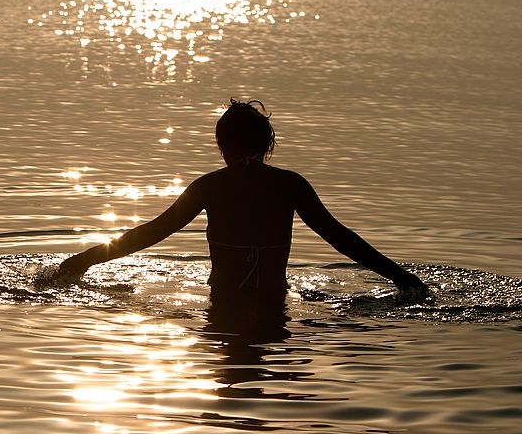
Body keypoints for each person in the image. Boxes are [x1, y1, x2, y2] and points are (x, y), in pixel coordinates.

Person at [56, 99, 427, 310]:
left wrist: (82, 261)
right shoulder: (290, 184)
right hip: (276, 304)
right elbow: (340, 238)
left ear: (221, 145)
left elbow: (152, 233)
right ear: (267, 145)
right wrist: (404, 279)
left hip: (222, 305)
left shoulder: (209, 187)